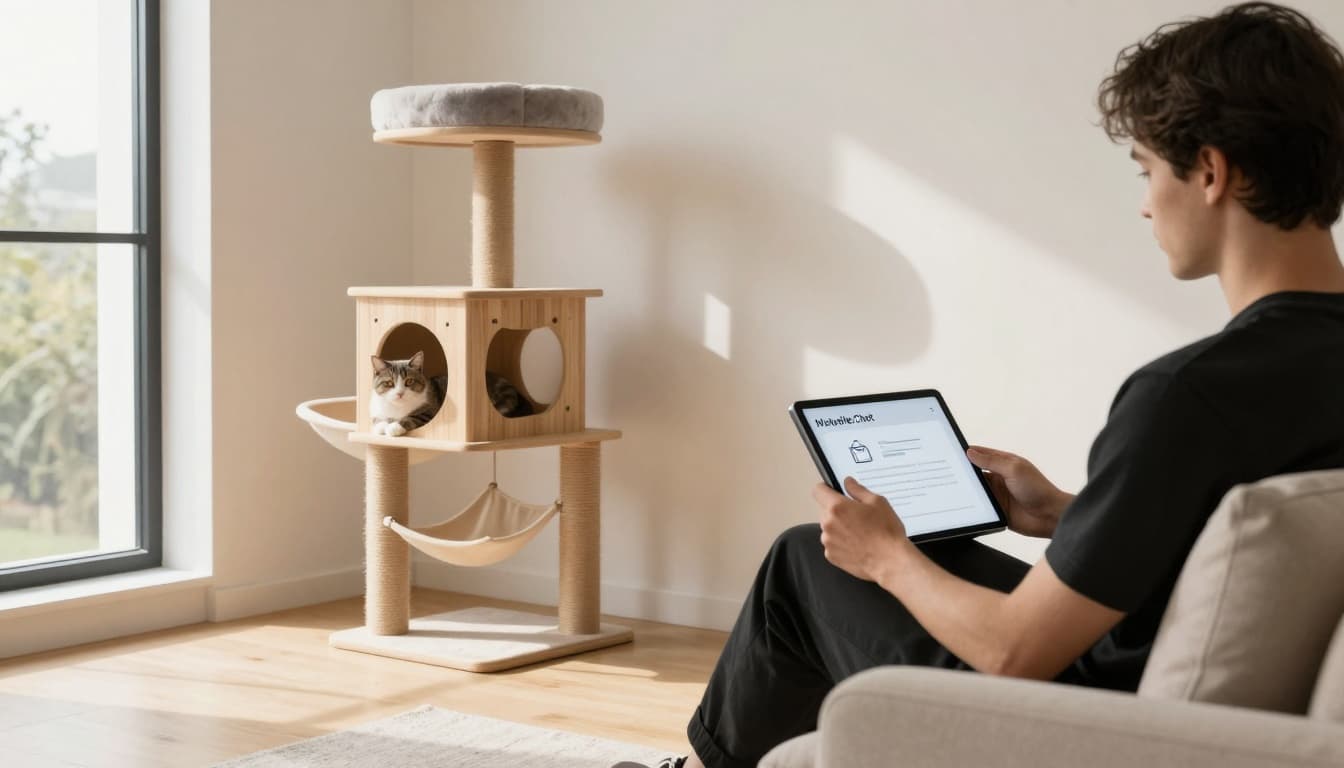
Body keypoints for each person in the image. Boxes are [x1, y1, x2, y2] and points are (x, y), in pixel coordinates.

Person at [617, 3, 1344, 767]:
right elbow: (1220, 553)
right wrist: (1071, 513)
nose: (1142, 201)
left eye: (1147, 169)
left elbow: (1012, 654)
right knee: (876, 556)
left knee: (804, 562)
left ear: (1208, 170)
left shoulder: (1190, 395)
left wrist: (887, 556)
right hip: (1181, 697)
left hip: (1080, 723)